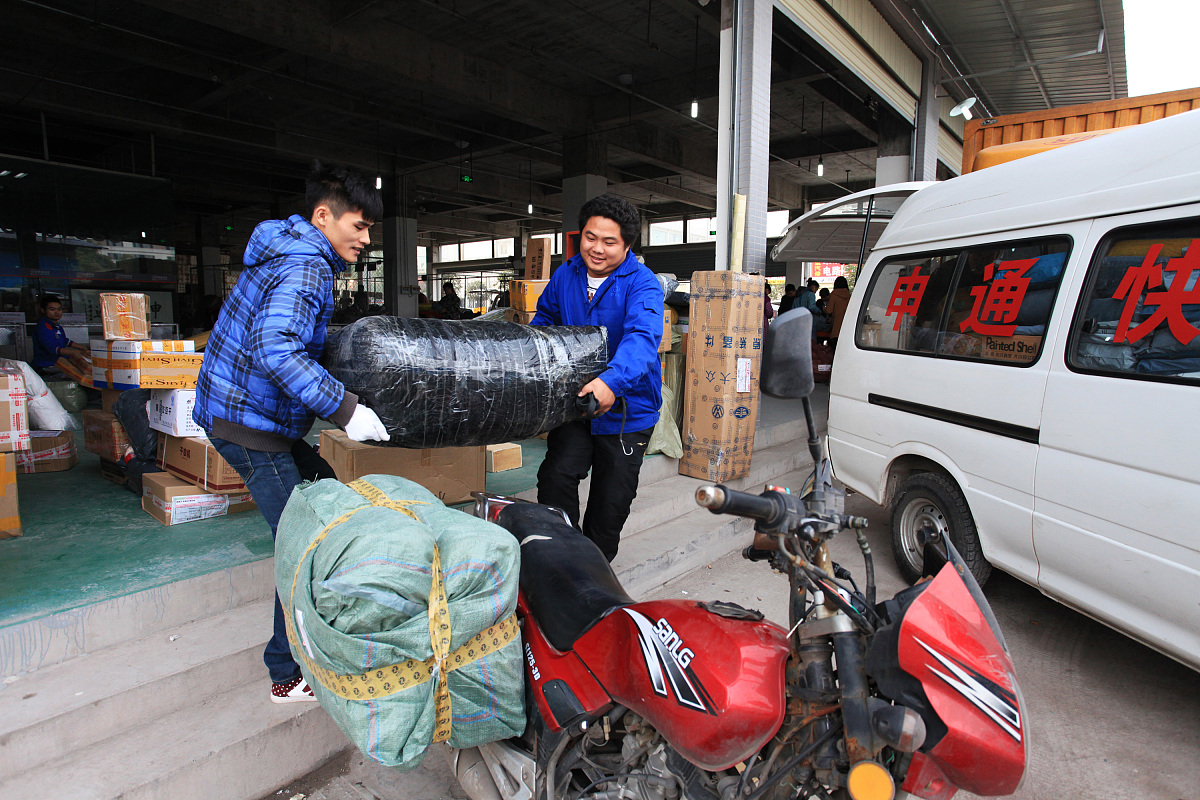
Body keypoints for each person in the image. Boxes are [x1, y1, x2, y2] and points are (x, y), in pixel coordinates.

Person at [193, 160, 391, 705]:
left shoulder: (288, 252)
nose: (366, 238)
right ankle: (286, 672)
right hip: (249, 427)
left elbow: (289, 337)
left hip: (251, 415)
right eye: (359, 226)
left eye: (370, 229)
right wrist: (345, 409)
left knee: (324, 486)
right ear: (324, 216)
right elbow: (276, 347)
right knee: (305, 542)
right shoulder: (307, 266)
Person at [531, 195, 663, 562]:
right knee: (555, 478)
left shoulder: (642, 284)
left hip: (626, 409)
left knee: (610, 503)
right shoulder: (566, 274)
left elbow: (642, 339)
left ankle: (594, 570)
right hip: (576, 404)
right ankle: (563, 558)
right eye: (591, 237)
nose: (597, 249)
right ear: (580, 234)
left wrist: (611, 382)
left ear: (627, 244)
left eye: (609, 242)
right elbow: (544, 322)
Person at [32, 296, 88, 377]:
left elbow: (65, 341)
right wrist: (76, 352)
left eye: (59, 309)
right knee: (79, 374)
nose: (57, 312)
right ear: (43, 310)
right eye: (52, 309)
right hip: (47, 365)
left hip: (60, 361)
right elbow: (53, 349)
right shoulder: (43, 328)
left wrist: (83, 348)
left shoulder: (56, 326)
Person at [825, 276, 852, 350]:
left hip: (836, 328)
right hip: (847, 328)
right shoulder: (849, 295)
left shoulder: (834, 294)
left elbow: (829, 310)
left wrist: (823, 309)